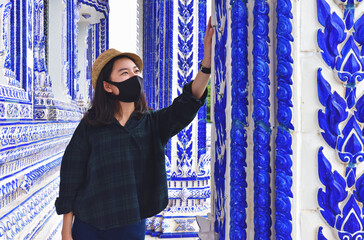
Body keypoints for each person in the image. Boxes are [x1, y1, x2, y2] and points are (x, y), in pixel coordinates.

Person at [55, 17, 214, 240]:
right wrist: (66, 231)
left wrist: (206, 64)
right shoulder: (90, 126)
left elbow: (187, 103)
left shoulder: (151, 123)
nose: (134, 76)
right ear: (108, 86)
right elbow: (71, 176)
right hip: (90, 226)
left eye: (135, 71)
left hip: (131, 226)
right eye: (124, 73)